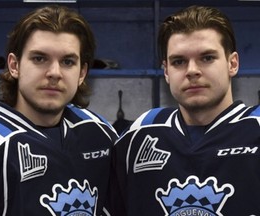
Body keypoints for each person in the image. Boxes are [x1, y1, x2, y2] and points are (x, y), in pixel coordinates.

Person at [108, 5, 260, 215]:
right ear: (166, 72)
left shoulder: (256, 128)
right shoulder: (140, 133)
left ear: (232, 64)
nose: (192, 71)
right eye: (179, 61)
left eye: (207, 58)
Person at [0, 5, 118, 216]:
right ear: (14, 65)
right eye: (39, 58)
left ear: (82, 73)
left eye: (68, 61)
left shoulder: (100, 133)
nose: (54, 73)